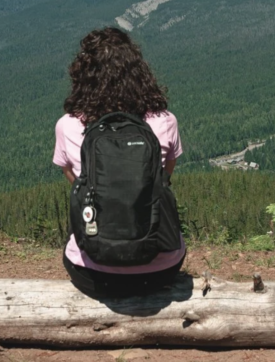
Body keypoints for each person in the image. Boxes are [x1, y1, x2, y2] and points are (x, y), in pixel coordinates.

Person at [53, 27, 186, 296]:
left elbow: (74, 178)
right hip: (160, 271)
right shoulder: (165, 121)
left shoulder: (68, 125)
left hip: (92, 273)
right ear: (139, 71)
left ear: (83, 75)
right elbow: (164, 176)